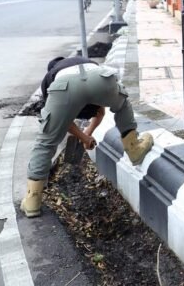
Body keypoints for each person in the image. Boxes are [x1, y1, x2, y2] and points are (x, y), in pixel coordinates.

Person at [21, 56, 155, 217]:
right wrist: (86, 135)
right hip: (98, 79)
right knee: (122, 103)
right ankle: (134, 148)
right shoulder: (85, 62)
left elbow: (61, 122)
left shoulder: (50, 78)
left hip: (65, 89)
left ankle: (32, 201)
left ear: (53, 69)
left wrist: (85, 137)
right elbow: (100, 111)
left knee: (45, 143)